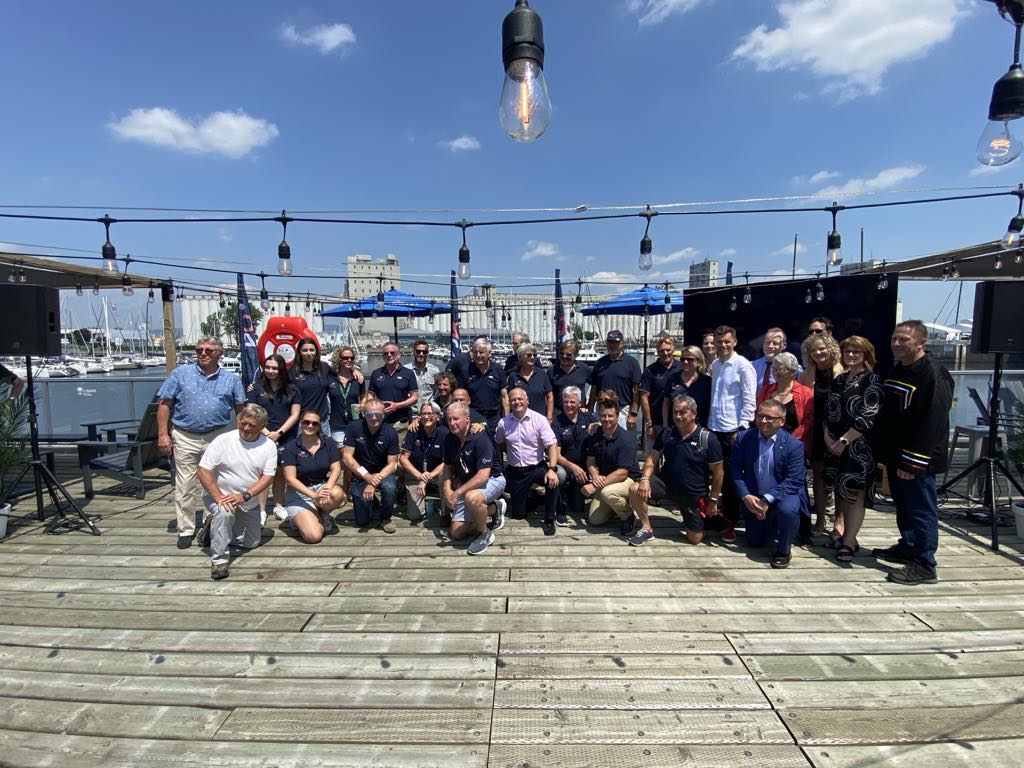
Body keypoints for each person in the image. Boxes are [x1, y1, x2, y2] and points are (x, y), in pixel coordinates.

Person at [872, 320, 953, 585]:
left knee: (921, 510)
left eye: (903, 340)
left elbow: (932, 423)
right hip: (896, 454)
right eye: (895, 338)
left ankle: (925, 563)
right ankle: (909, 545)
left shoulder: (933, 375)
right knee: (904, 506)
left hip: (916, 460)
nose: (896, 344)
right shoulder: (900, 369)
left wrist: (913, 462)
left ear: (920, 343)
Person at [156, 336, 246, 549]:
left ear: (219, 354)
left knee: (216, 482)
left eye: (208, 350)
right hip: (186, 435)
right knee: (185, 484)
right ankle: (185, 529)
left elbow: (241, 409)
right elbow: (164, 404)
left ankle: (210, 523)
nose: (203, 353)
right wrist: (162, 434)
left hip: (218, 435)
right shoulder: (180, 374)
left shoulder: (231, 379)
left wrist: (242, 436)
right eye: (199, 350)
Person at [628, 395, 724, 546]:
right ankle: (647, 528)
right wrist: (645, 479)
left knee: (694, 539)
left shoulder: (707, 438)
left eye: (683, 412)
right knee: (635, 488)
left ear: (694, 414)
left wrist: (713, 500)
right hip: (667, 483)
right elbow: (652, 459)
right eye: (675, 412)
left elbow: (718, 473)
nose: (678, 416)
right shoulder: (667, 434)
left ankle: (708, 523)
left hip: (692, 493)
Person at [196, 404, 278, 581]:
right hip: (220, 496)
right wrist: (219, 498)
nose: (246, 428)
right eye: (243, 423)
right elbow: (203, 470)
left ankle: (213, 529)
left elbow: (268, 477)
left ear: (261, 426)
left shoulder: (268, 446)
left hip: (248, 500)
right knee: (224, 514)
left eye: (252, 426)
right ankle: (219, 561)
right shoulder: (223, 440)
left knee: (251, 543)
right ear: (238, 421)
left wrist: (244, 496)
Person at [824, 336, 883, 564]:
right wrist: (828, 438)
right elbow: (829, 412)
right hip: (835, 445)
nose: (851, 355)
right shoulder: (839, 380)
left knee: (855, 495)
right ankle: (848, 536)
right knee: (842, 493)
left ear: (866, 355)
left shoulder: (872, 381)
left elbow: (868, 416)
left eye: (856, 352)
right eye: (847, 352)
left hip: (858, 447)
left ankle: (849, 541)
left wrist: (844, 441)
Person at [730, 399, 809, 569]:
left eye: (769, 418)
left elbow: (794, 480)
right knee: (755, 541)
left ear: (781, 421)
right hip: (755, 495)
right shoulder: (744, 438)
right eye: (760, 416)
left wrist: (767, 499)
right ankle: (774, 524)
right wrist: (745, 496)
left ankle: (783, 549)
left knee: (787, 510)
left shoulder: (794, 446)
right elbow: (734, 467)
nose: (763, 421)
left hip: (784, 495)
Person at [708, 325, 756, 543]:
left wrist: (742, 428)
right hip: (713, 428)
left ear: (734, 341)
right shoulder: (715, 364)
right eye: (719, 342)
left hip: (732, 431)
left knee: (731, 479)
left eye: (727, 341)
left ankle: (732, 522)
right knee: (714, 476)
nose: (723, 345)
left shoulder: (744, 366)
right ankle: (715, 513)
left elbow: (749, 401)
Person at [442, 402, 507, 555]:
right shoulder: (449, 439)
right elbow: (447, 467)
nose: (452, 423)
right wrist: (446, 490)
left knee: (472, 498)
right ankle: (493, 508)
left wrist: (457, 493)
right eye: (449, 419)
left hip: (493, 479)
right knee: (456, 533)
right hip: (468, 484)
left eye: (456, 419)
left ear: (467, 418)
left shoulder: (480, 437)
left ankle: (484, 533)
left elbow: (483, 477)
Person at [495, 387, 560, 535]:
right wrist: (511, 453)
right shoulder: (503, 423)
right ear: (509, 402)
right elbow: (499, 442)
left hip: (536, 467)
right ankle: (537, 498)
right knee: (518, 514)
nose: (517, 402)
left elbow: (551, 444)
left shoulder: (539, 419)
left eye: (520, 399)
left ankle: (550, 519)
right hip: (515, 471)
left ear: (527, 401)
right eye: (513, 399)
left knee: (552, 481)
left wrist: (552, 469)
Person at [246, 354, 300, 523]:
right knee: (263, 473)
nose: (271, 371)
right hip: (261, 436)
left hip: (286, 436)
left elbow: (295, 414)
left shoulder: (292, 389)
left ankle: (278, 505)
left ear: (282, 369)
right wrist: (266, 432)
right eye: (267, 367)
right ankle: (261, 510)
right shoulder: (255, 388)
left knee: (280, 473)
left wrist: (279, 433)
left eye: (275, 368)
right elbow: (251, 413)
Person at [799, 332, 844, 535]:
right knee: (818, 473)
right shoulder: (806, 374)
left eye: (822, 349)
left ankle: (839, 521)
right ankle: (819, 520)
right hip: (816, 430)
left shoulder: (843, 371)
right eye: (813, 350)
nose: (817, 353)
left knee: (838, 475)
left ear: (831, 349)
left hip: (838, 430)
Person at [280, 409, 346, 541]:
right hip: (298, 494)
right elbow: (290, 479)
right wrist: (314, 496)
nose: (310, 426)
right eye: (306, 422)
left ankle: (323, 513)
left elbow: (336, 468)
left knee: (338, 494)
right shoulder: (291, 447)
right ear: (300, 423)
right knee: (314, 536)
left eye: (315, 423)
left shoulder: (328, 443)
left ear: (319, 425)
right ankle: (299, 519)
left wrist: (327, 489)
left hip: (320, 486)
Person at [341, 397, 400, 533]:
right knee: (362, 522)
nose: (374, 418)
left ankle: (385, 518)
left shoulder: (391, 432)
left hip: (383, 473)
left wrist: (372, 482)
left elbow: (392, 464)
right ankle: (373, 503)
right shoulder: (353, 427)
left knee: (389, 488)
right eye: (369, 414)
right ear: (364, 414)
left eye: (378, 414)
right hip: (362, 473)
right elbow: (347, 457)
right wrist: (367, 477)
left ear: (383, 414)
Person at [582, 397, 640, 533]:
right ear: (598, 416)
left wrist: (594, 485)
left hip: (628, 479)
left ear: (617, 416)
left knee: (608, 493)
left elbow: (622, 472)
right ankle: (616, 507)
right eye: (603, 415)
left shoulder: (625, 439)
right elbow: (590, 460)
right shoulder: (596, 434)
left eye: (610, 416)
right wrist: (595, 476)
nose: (606, 419)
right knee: (595, 519)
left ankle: (628, 516)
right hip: (606, 479)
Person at [553, 386, 597, 525]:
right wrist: (573, 468)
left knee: (578, 508)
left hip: (585, 468)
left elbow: (608, 419)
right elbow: (557, 455)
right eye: (566, 402)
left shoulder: (588, 417)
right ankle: (560, 509)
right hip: (566, 466)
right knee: (559, 474)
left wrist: (597, 424)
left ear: (580, 403)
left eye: (572, 402)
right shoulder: (557, 422)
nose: (568, 405)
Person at [399, 400, 449, 522]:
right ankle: (415, 497)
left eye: (430, 414)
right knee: (414, 515)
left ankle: (445, 513)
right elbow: (403, 458)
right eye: (423, 414)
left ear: (437, 417)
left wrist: (428, 477)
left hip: (436, 474)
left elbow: (445, 462)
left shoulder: (444, 433)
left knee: (445, 474)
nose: (426, 417)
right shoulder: (413, 431)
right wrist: (420, 476)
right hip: (416, 474)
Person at [756, 352, 812, 453]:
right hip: (766, 443)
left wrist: (790, 442)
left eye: (780, 369)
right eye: (774, 369)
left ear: (792, 371)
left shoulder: (805, 393)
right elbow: (757, 413)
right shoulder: (765, 390)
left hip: (793, 444)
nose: (775, 373)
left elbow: (807, 422)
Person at [588, 329, 641, 430]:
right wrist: (590, 409)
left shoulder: (632, 363)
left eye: (615, 342)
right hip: (602, 409)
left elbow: (636, 390)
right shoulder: (599, 363)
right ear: (606, 343)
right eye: (610, 342)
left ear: (622, 344)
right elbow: (594, 388)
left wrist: (633, 414)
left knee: (624, 441)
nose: (612, 345)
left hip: (623, 409)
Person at [456, 337, 508, 435]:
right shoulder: (465, 371)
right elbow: (461, 397)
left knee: (496, 448)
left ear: (489, 353)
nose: (478, 355)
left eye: (481, 352)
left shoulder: (498, 369)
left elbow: (504, 397)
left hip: (494, 417)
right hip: (474, 416)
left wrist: (506, 418)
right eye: (475, 352)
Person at [367, 341, 418, 434]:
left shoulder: (408, 373)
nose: (389, 355)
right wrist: (374, 408)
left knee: (399, 448)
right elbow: (370, 395)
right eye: (386, 353)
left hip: (401, 422)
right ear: (383, 356)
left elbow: (414, 398)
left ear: (398, 355)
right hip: (380, 420)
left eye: (392, 353)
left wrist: (397, 405)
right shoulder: (376, 373)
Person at [639, 337, 681, 440]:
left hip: (678, 422)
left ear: (673, 349)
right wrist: (649, 424)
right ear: (657, 352)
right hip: (656, 423)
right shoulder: (650, 370)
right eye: (662, 350)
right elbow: (644, 398)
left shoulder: (682, 368)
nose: (665, 353)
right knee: (652, 454)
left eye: (668, 350)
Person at [661, 345, 711, 427]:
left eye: (690, 360)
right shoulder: (673, 379)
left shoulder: (707, 381)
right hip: (675, 428)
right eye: (683, 359)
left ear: (699, 362)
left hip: (699, 428)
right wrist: (665, 424)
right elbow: (666, 403)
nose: (685, 362)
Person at [291, 337, 335, 427]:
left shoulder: (325, 368)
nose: (309, 353)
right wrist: (254, 386)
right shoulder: (291, 371)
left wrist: (354, 370)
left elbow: (343, 375)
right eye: (305, 350)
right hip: (301, 423)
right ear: (299, 352)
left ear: (316, 351)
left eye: (312, 350)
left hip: (322, 422)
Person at [505, 342, 553, 421]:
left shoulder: (542, 374)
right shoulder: (513, 376)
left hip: (539, 419)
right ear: (520, 357)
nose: (532, 357)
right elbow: (509, 397)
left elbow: (550, 397)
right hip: (519, 419)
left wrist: (549, 417)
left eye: (535, 355)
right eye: (529, 355)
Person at [327, 346, 365, 444]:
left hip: (356, 423)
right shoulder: (330, 378)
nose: (349, 360)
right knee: (342, 453)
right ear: (339, 360)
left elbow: (363, 397)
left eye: (351, 358)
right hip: (337, 424)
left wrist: (363, 404)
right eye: (345, 358)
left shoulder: (358, 379)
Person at [549, 339, 592, 413]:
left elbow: (594, 386)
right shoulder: (551, 370)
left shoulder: (584, 369)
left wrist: (590, 405)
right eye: (562, 354)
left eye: (568, 354)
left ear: (575, 355)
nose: (564, 356)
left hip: (579, 412)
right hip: (558, 413)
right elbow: (547, 394)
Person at [406, 339, 439, 417]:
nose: (421, 354)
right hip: (410, 413)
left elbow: (437, 393)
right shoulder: (405, 370)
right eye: (418, 351)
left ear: (427, 354)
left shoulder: (435, 371)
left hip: (428, 414)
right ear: (413, 352)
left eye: (424, 352)